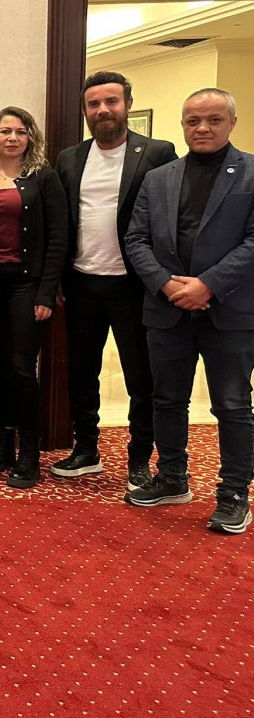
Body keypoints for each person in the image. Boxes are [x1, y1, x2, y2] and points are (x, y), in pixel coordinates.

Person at [125, 88, 254, 534]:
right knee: (167, 399)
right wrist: (164, 283)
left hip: (230, 311)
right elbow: (135, 239)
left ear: (231, 122)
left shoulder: (251, 173)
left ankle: (234, 494)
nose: (202, 128)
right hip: (167, 309)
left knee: (232, 405)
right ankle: (172, 478)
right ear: (182, 124)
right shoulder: (158, 178)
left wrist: (208, 285)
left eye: (213, 119)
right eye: (193, 120)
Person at [53, 71, 176, 489]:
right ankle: (86, 449)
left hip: (134, 285)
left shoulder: (157, 153)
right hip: (81, 282)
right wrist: (56, 278)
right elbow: (62, 224)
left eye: (111, 101)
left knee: (141, 378)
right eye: (94, 104)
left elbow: (169, 217)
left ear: (127, 105)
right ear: (85, 111)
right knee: (81, 372)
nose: (103, 110)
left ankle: (139, 457)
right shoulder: (69, 158)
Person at [0, 107, 68, 488]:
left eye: (20, 132)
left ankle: (29, 453)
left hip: (26, 284)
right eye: (5, 131)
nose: (12, 138)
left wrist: (47, 291)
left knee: (21, 367)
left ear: (30, 138)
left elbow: (58, 237)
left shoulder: (43, 178)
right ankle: (3, 444)